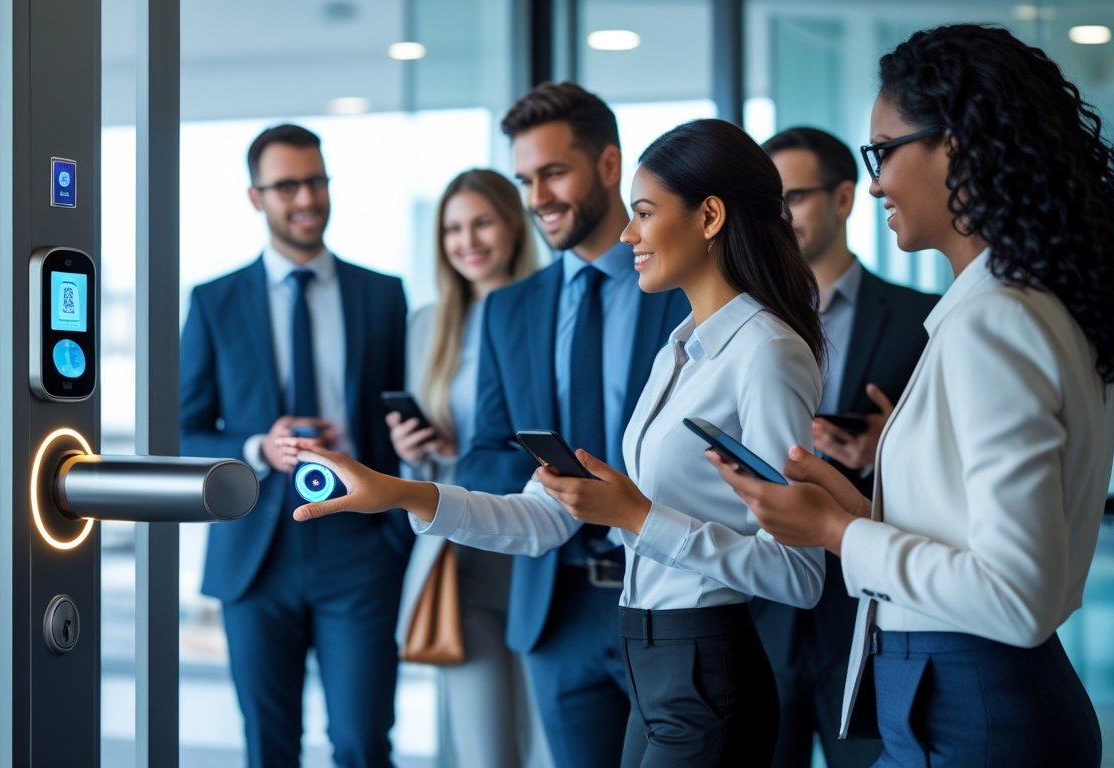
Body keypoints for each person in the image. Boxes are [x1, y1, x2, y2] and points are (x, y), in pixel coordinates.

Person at [284, 118, 830, 767]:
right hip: (655, 660)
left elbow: (799, 574)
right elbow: (544, 518)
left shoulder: (767, 353)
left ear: (708, 216)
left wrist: (638, 517)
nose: (628, 233)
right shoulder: (680, 350)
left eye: (645, 212)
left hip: (706, 666)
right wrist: (401, 492)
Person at [710, 24, 1114, 767]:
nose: (874, 184)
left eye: (883, 151)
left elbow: (1015, 596)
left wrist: (838, 535)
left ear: (954, 145)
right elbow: (977, 543)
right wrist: (854, 511)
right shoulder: (1014, 306)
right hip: (962, 698)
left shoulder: (997, 322)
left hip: (972, 708)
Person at [447, 81, 691, 768]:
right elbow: (482, 456)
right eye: (526, 179)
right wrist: (545, 478)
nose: (537, 197)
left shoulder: (681, 286)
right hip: (554, 609)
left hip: (669, 595)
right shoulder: (509, 309)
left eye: (554, 172)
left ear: (609, 165)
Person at [179, 124, 412, 767]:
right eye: (287, 186)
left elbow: (402, 417)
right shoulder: (214, 301)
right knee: (269, 746)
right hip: (257, 552)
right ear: (256, 198)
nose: (305, 197)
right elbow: (183, 431)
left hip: (359, 546)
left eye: (316, 180)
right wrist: (259, 445)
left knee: (364, 743)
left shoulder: (383, 294)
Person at [750, 126, 936, 768]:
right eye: (770, 202)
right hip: (765, 604)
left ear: (845, 199)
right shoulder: (749, 327)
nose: (781, 217)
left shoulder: (923, 318)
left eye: (794, 197)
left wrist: (885, 454)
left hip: (869, 609)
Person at [388, 168, 540, 768]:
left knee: (552, 743)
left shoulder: (548, 310)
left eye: (481, 222)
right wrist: (410, 446)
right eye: (453, 228)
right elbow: (421, 462)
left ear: (512, 225)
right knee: (485, 750)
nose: (467, 241)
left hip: (539, 545)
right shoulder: (428, 324)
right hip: (462, 551)